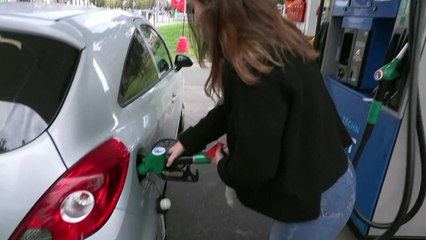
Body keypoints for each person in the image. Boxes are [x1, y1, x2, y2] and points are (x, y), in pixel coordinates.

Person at [166, 0, 356, 239]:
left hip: (318, 202)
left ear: (217, 7)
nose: (197, 18)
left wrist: (221, 163)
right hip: (334, 177)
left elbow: (254, 169)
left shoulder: (251, 66)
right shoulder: (274, 39)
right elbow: (230, 110)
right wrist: (189, 141)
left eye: (194, 8)